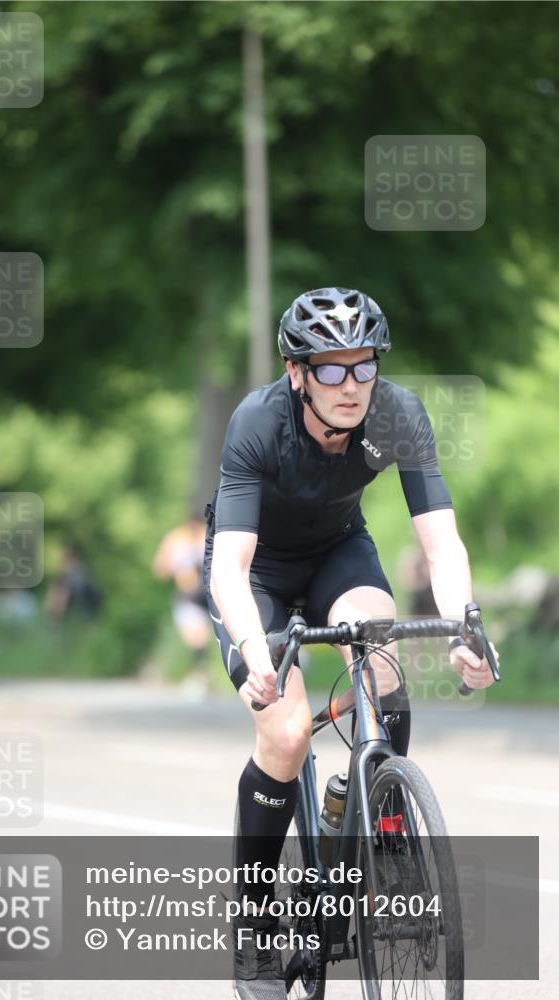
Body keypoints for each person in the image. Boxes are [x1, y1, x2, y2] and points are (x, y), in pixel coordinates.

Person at [202, 286, 499, 999]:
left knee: (383, 661)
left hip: (338, 552)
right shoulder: (256, 422)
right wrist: (252, 654)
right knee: (288, 731)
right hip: (259, 575)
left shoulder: (395, 413)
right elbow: (229, 571)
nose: (349, 386)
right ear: (295, 371)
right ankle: (253, 928)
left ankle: (380, 817)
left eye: (362, 366)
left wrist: (467, 624)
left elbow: (441, 542)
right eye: (329, 369)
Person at [152, 515, 211, 670]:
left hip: (211, 591)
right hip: (188, 594)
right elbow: (159, 569)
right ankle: (201, 671)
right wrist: (176, 566)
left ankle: (210, 670)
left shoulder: (209, 535)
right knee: (196, 637)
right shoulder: (175, 539)